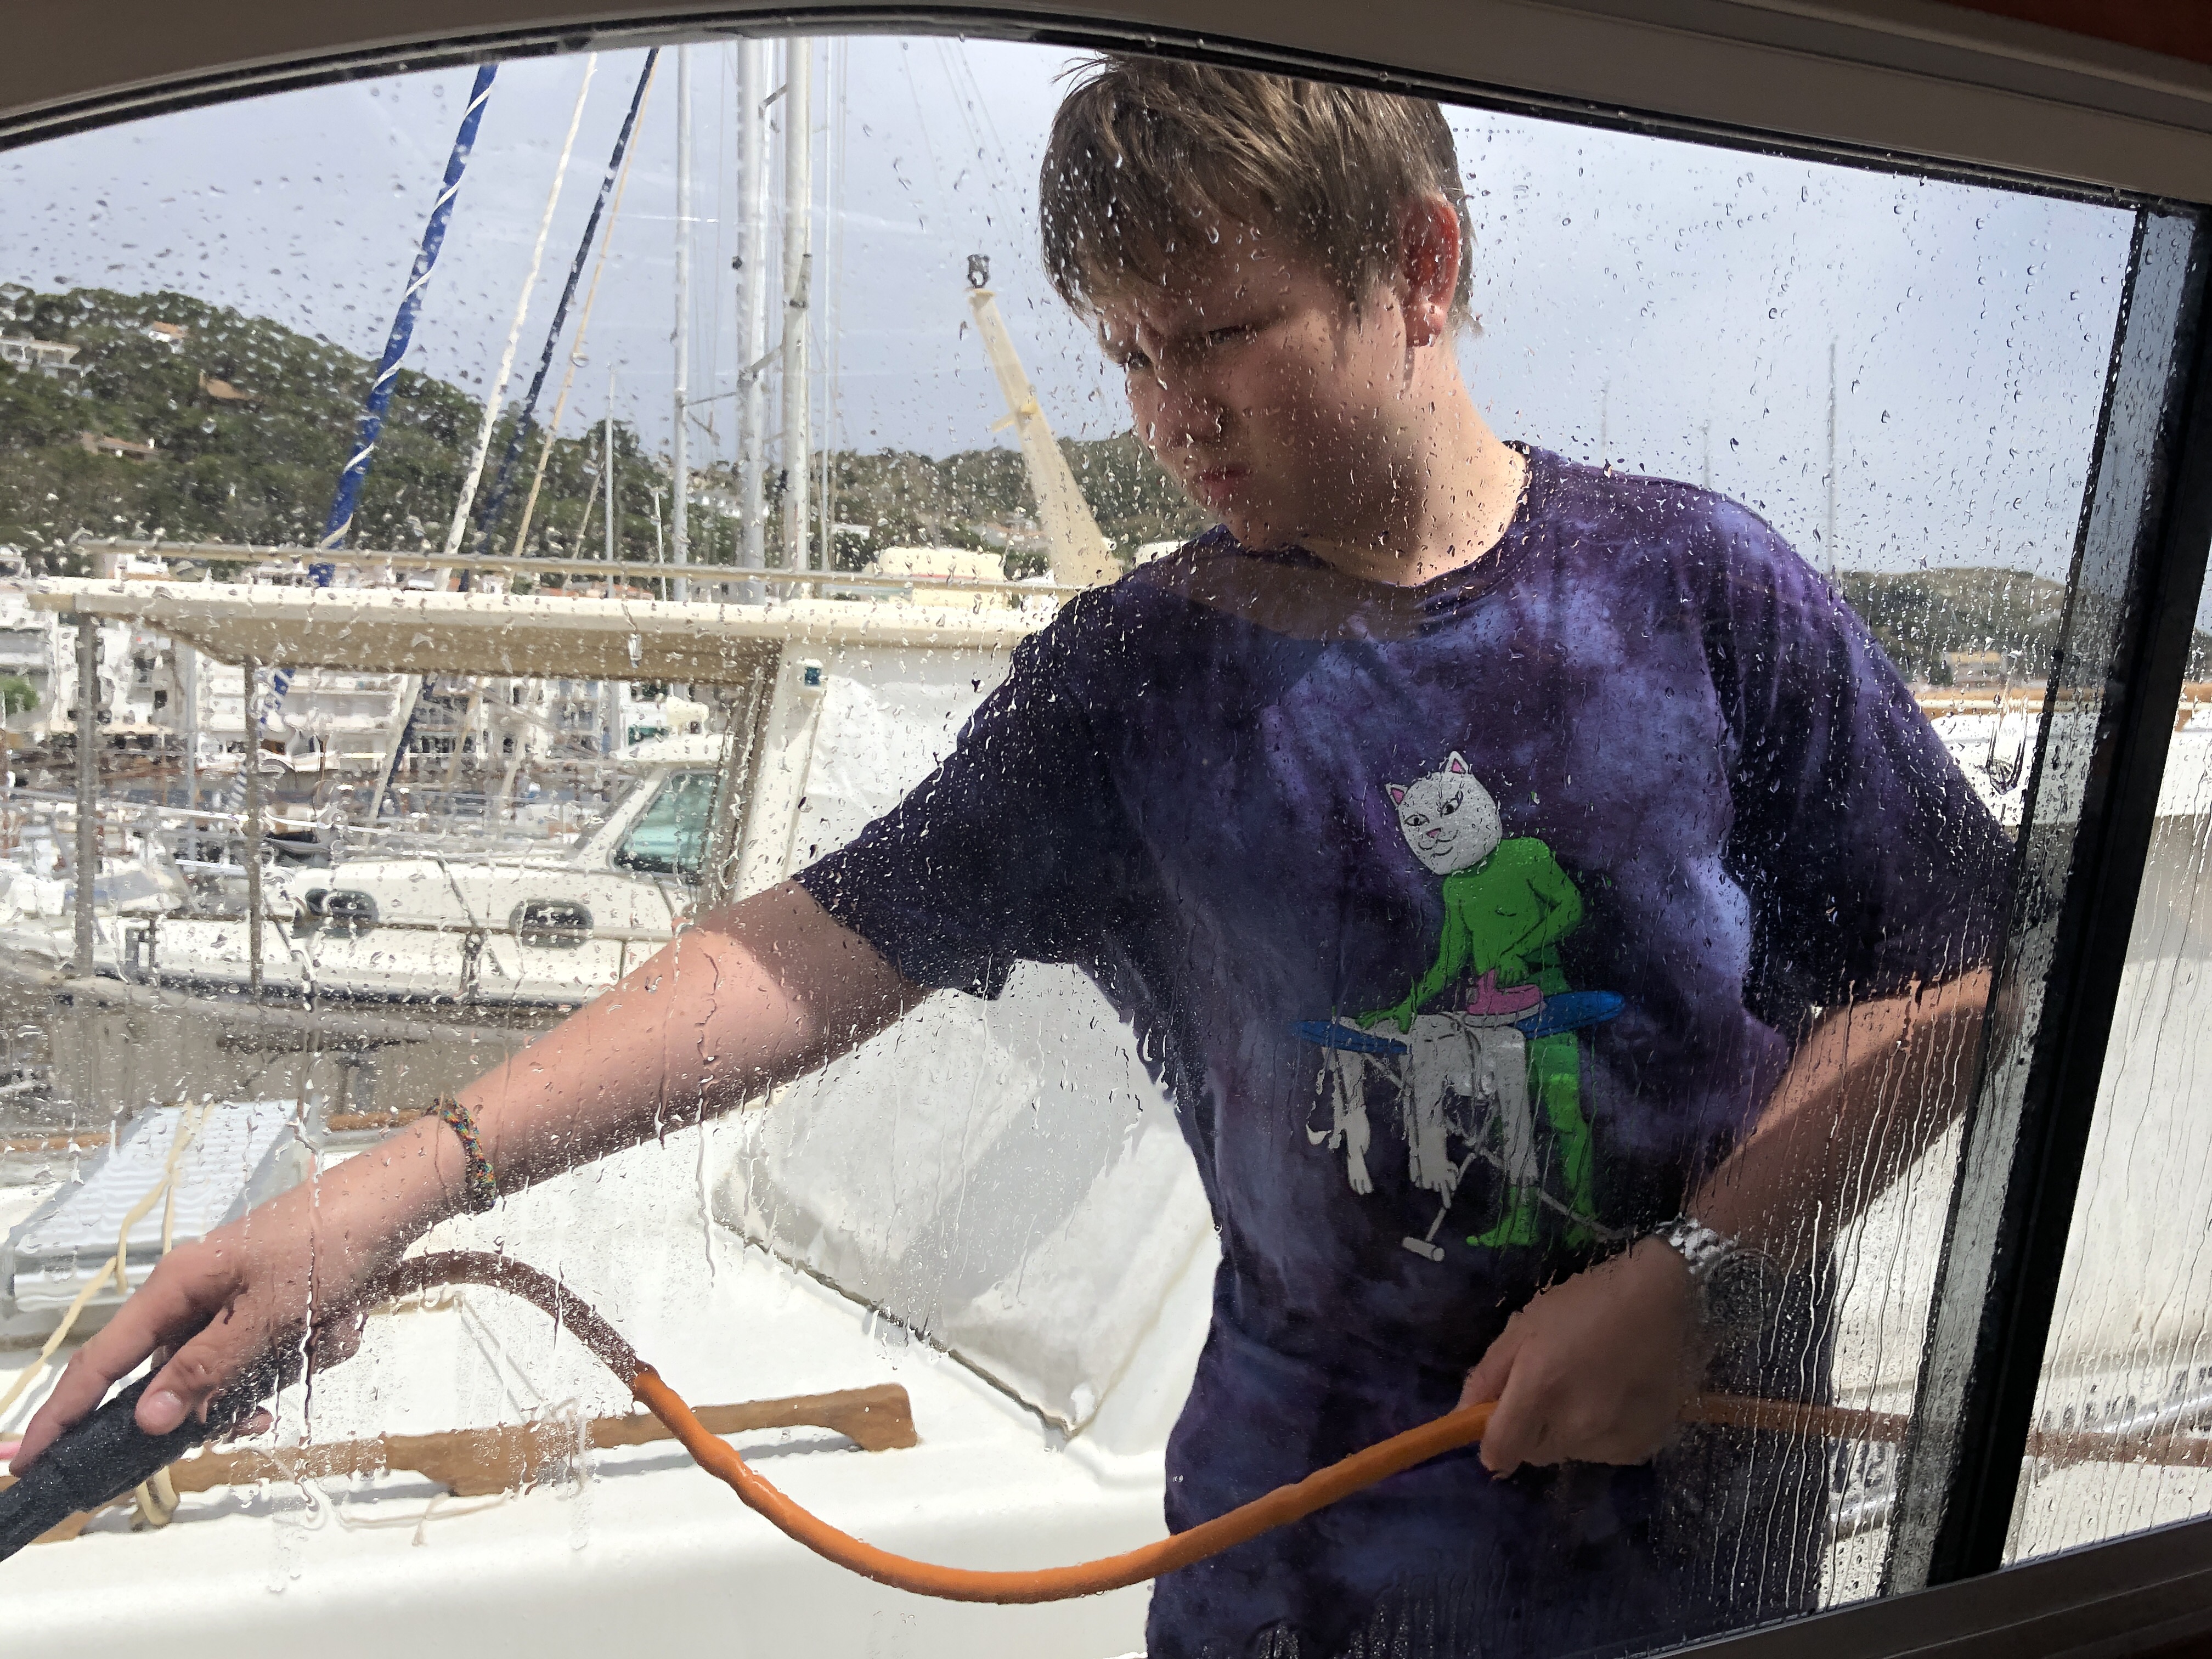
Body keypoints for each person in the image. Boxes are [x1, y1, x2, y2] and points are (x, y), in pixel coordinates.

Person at [20, 55, 2009, 1659]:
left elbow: (1956, 970)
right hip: (1287, 1590)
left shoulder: (1696, 594)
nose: (1168, 418)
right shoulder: (1136, 678)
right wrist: (396, 1183)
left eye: (1221, 336)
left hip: (1701, 1591)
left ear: (1420, 262)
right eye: (1129, 354)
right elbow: (804, 951)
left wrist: (1698, 1276)